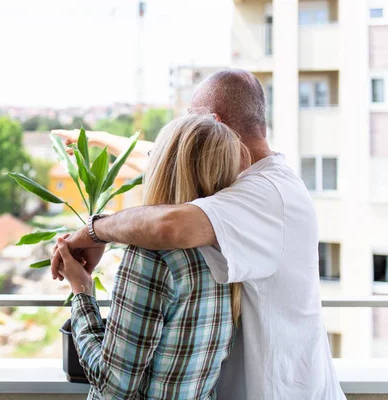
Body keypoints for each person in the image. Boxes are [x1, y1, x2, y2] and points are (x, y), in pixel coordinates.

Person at [52, 69, 346, 400]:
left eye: (191, 118)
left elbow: (169, 225)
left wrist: (93, 232)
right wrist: (99, 138)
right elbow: (170, 157)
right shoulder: (244, 189)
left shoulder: (267, 195)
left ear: (213, 125)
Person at [54, 113, 245, 399]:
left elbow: (112, 384)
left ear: (163, 169)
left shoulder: (153, 258)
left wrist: (82, 291)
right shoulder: (231, 245)